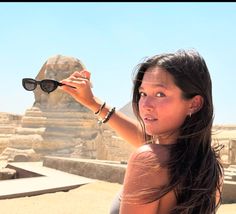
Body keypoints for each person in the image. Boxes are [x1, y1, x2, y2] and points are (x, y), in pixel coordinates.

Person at [60, 49, 224, 214]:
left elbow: (150, 150)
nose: (145, 104)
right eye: (143, 93)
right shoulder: (209, 166)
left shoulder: (149, 160)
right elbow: (145, 139)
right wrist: (93, 102)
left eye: (160, 94)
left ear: (194, 103)